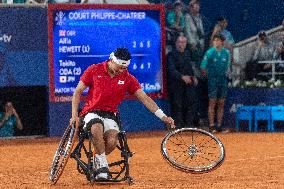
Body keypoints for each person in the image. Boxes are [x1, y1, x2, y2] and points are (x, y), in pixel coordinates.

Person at [70, 47, 175, 180]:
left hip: (110, 114)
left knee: (113, 141)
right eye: (120, 67)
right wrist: (74, 115)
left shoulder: (128, 78)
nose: (122, 70)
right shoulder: (94, 69)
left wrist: (163, 116)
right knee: (97, 127)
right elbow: (77, 92)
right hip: (91, 112)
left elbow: (145, 98)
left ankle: (98, 158)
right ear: (112, 60)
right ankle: (102, 167)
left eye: (124, 68)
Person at [166, 35, 198, 128]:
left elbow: (190, 68)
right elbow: (171, 70)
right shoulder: (171, 55)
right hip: (176, 85)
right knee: (177, 105)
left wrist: (194, 77)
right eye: (179, 42)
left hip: (188, 85)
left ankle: (189, 124)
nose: (181, 44)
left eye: (183, 42)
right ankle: (178, 126)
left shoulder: (188, 54)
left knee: (191, 103)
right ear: (176, 43)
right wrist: (181, 77)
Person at [200, 34, 230, 133]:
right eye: (215, 40)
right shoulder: (209, 52)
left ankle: (219, 125)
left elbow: (227, 67)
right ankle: (212, 126)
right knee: (212, 102)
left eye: (218, 40)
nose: (216, 42)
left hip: (223, 80)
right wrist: (209, 76)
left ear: (222, 42)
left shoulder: (226, 53)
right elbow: (203, 67)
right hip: (212, 80)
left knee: (221, 103)